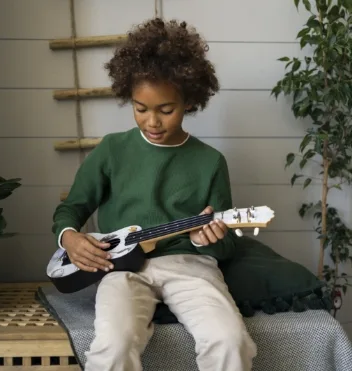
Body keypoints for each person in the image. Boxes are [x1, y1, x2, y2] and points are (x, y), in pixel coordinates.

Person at [52, 17, 257, 371]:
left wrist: (207, 239)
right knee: (113, 345)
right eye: (140, 108)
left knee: (230, 341)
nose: (152, 122)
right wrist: (69, 237)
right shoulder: (112, 150)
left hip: (190, 267)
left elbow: (225, 247)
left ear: (190, 100)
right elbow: (71, 208)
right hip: (120, 267)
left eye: (166, 110)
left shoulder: (210, 162)